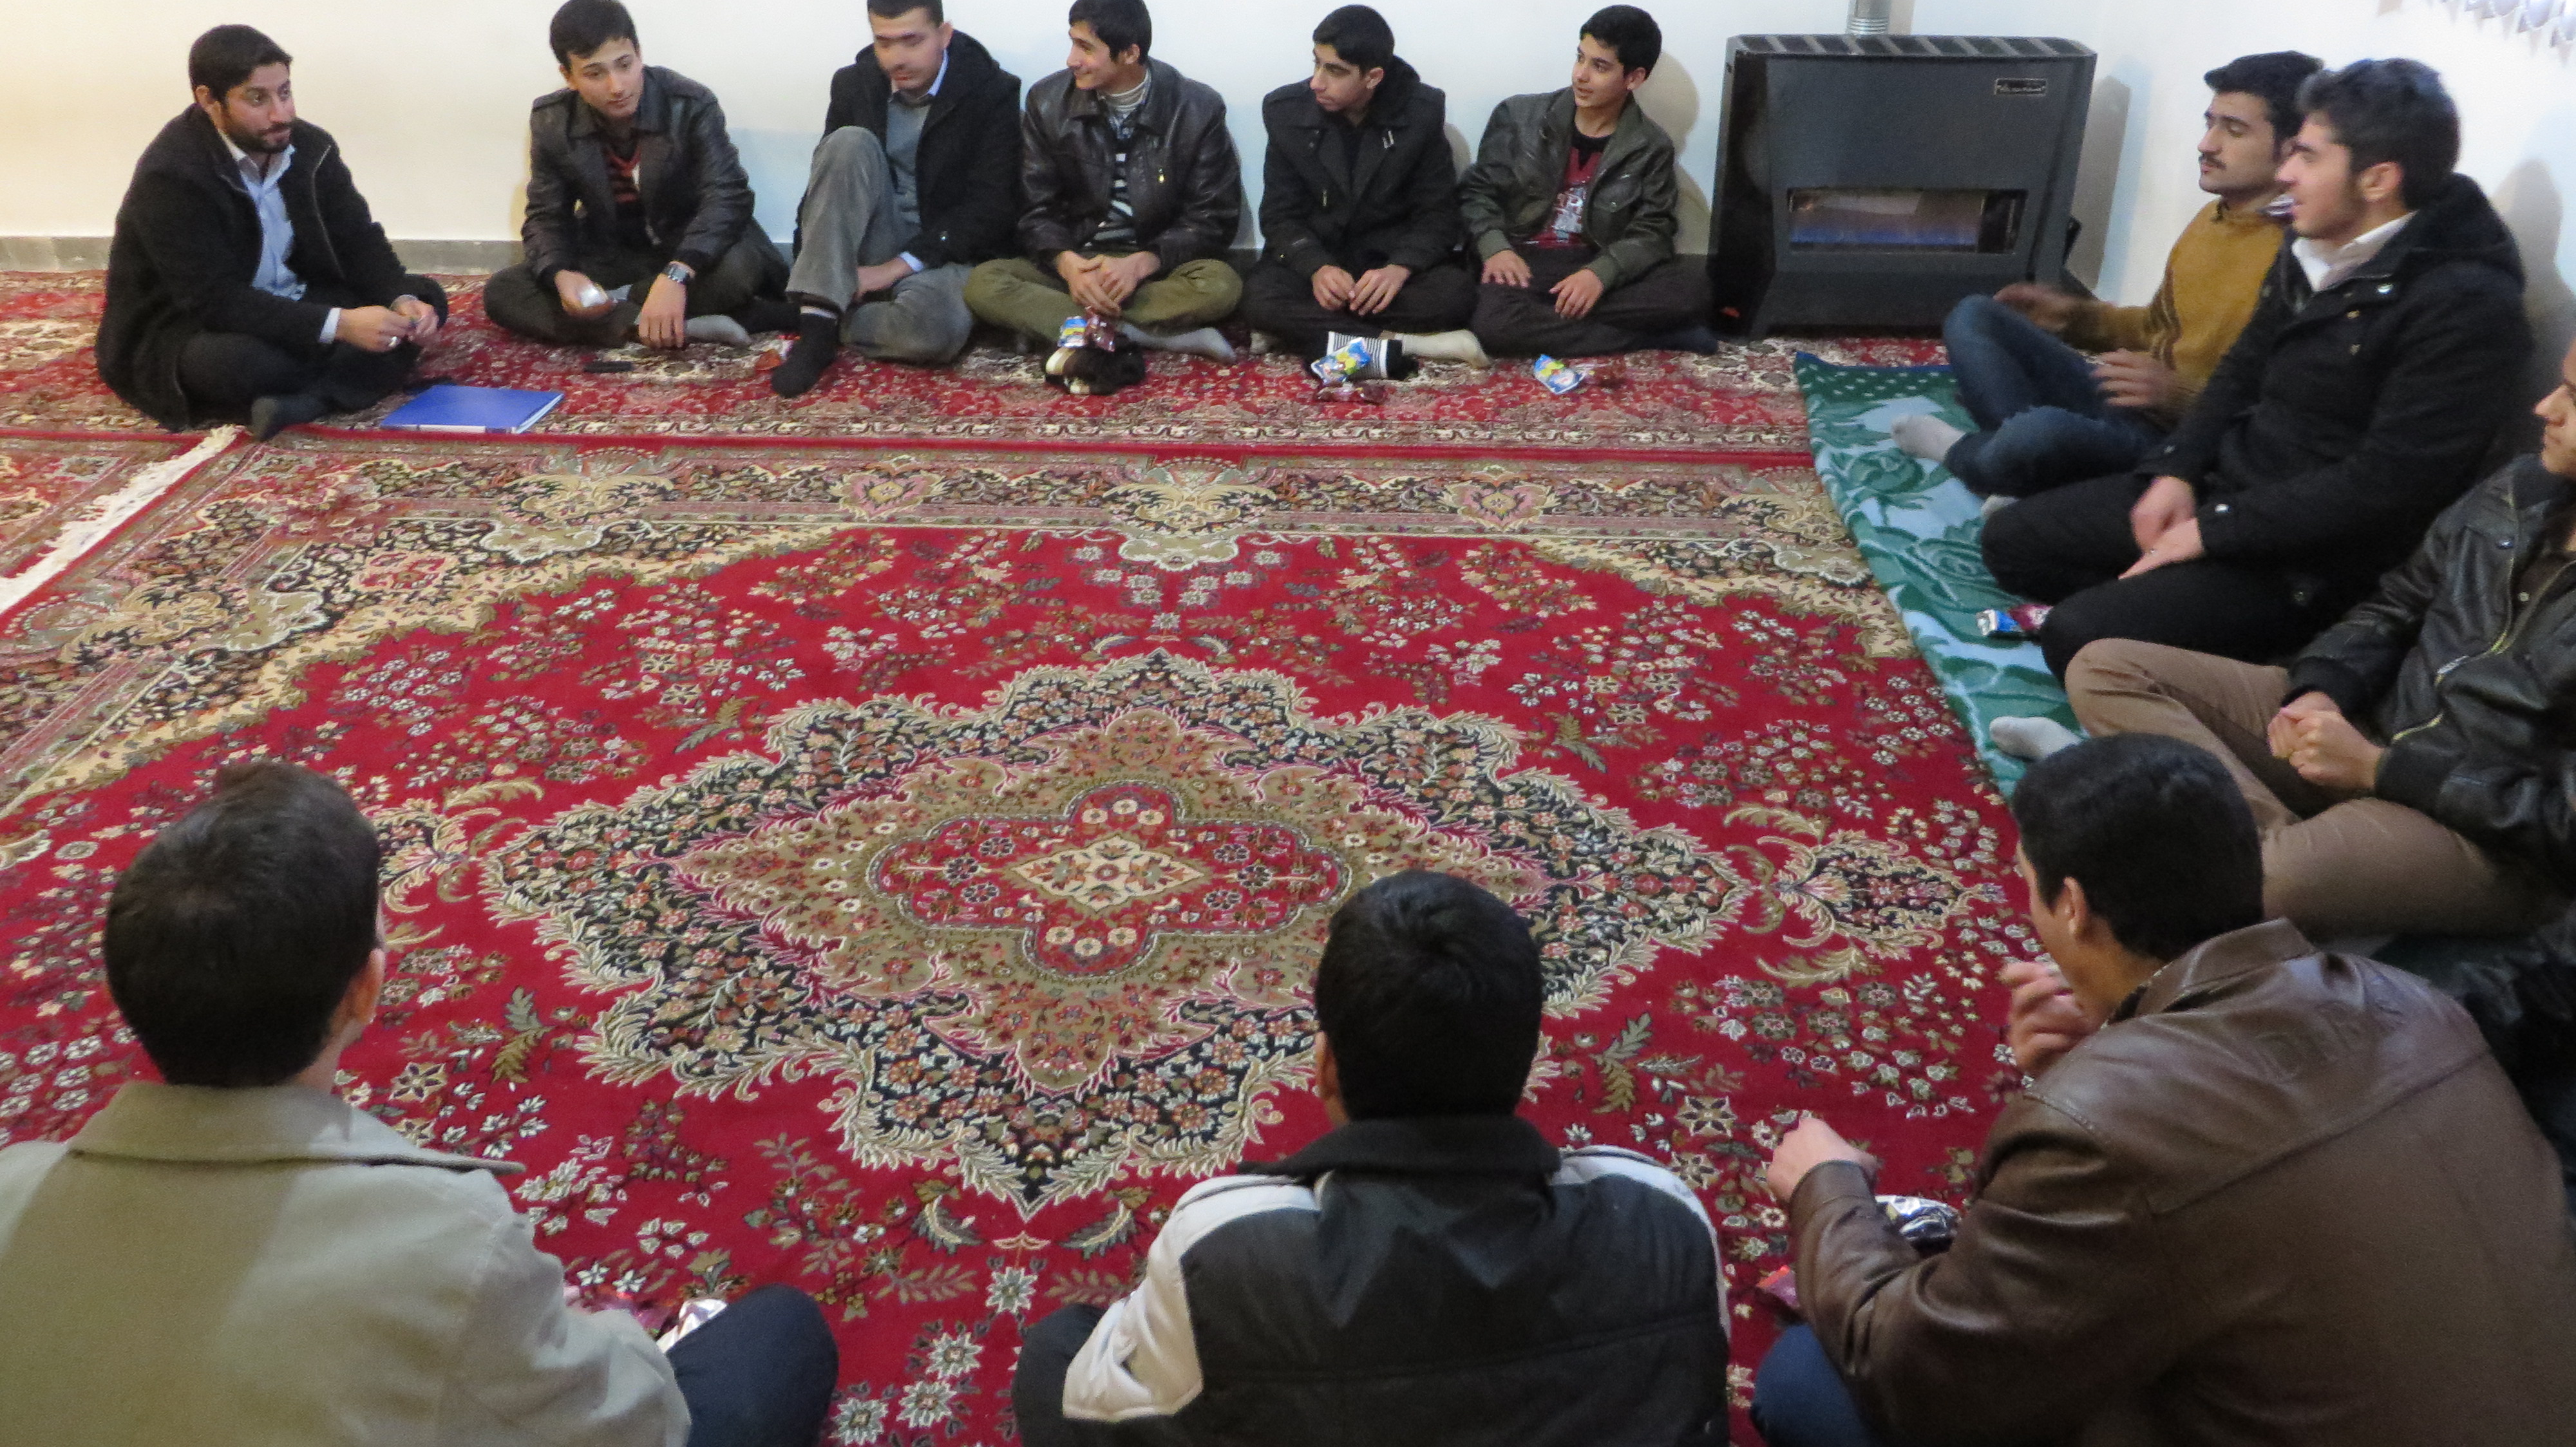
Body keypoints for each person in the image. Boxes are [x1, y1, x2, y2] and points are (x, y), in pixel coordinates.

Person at [1752, 733, 2576, 1447]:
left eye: (2027, 882)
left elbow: (1913, 1372)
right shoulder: (2417, 1003)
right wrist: (2114, 1048)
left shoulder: (2099, 1130)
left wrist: (1826, 1190)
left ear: (2072, 906)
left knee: (1807, 1381)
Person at [0, 759, 838, 1446]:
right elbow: (634, 1425)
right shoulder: (446, 1238)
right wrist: (622, 1337)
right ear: (363, 990)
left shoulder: (14, 1189)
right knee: (781, 1337)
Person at [1012, 870, 1729, 1446]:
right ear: (1526, 1058)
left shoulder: (1226, 1246)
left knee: (1058, 1350)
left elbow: (1097, 1407)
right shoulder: (1661, 1215)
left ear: (1324, 1068)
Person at [1982, 58, 2530, 682]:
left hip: (2312, 561)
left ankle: (2266, 647)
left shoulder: (2467, 307)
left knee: (2078, 635)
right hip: (2231, 494)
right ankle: (2168, 602)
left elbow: (2385, 487)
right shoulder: (2315, 237)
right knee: (2012, 542)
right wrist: (2177, 471)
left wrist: (2212, 534)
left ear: (2377, 179)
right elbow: (2242, 369)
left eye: (2307, 157)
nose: (2287, 173)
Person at [2042, 328, 2576, 946]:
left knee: (2273, 878)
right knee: (2105, 666)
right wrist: (2323, 688)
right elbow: (2397, 603)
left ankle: (2237, 852)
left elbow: (2562, 825)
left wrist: (2380, 770)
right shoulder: (2519, 488)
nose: (2544, 408)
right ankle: (2280, 857)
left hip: (2484, 838)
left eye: (2572, 396)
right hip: (2370, 726)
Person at [1893, 52, 2311, 501]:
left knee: (2041, 432)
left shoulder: (2302, 256)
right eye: (2210, 123)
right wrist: (2076, 318)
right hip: (2128, 404)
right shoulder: (2213, 218)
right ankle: (2019, 467)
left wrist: (2181, 397)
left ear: (2292, 149)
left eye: (2234, 130)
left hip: (2184, 443)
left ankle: (1965, 453)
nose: (2206, 144)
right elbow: (2157, 326)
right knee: (1975, 316)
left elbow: (2290, 418)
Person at [96, 24, 448, 440]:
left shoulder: (311, 148)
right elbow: (214, 300)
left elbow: (358, 239)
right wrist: (340, 326)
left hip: (296, 300)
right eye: (257, 99)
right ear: (208, 100)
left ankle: (305, 400)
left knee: (426, 299)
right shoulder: (173, 175)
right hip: (191, 326)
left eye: (285, 93)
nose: (281, 114)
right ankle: (337, 385)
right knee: (250, 365)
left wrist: (401, 299)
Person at [482, 0, 790, 352]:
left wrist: (676, 274)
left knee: (737, 272)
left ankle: (622, 310)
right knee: (504, 291)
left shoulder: (690, 104)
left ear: (639, 54)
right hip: (616, 251)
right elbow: (546, 215)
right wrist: (561, 274)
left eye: (625, 65)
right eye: (595, 73)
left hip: (693, 249)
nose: (617, 86)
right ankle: (673, 324)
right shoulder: (552, 120)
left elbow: (728, 197)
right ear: (569, 76)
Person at [965, 0, 1244, 373]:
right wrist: (1068, 265)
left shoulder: (1196, 108)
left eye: (1086, 48)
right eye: (1073, 43)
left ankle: (1063, 326)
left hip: (1153, 267)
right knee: (983, 282)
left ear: (1130, 53)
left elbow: (1212, 219)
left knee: (1221, 284)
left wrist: (1142, 263)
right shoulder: (1047, 101)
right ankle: (1152, 336)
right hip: (1077, 259)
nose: (1072, 60)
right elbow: (1035, 210)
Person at [769, 0, 1023, 395]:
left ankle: (821, 316)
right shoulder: (854, 85)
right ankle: (817, 328)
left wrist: (894, 269)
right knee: (847, 143)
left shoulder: (991, 92)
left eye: (911, 41)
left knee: (934, 331)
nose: (896, 59)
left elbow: (990, 207)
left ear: (944, 35)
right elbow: (827, 185)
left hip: (944, 252)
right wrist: (808, 261)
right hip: (875, 236)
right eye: (884, 43)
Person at [1236, 5, 1484, 368]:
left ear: (1373, 77)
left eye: (1335, 71)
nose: (1317, 82)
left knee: (1455, 294)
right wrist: (1317, 268)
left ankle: (1313, 333)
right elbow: (1279, 215)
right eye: (1317, 64)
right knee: (1260, 298)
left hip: (1386, 262)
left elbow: (1438, 216)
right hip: (1320, 259)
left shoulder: (1421, 112)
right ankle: (1404, 343)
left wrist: (1399, 268)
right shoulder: (1285, 111)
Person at [1461, 5, 1716, 359]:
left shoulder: (1650, 145)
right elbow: (1477, 192)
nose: (1581, 75)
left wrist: (1600, 275)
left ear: (1634, 78)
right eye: (1580, 58)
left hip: (1594, 258)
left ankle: (1548, 319)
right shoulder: (1518, 116)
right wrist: (1495, 247)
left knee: (1692, 292)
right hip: (1525, 257)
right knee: (1493, 325)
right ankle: (1654, 338)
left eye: (1600, 67)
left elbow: (1653, 231)